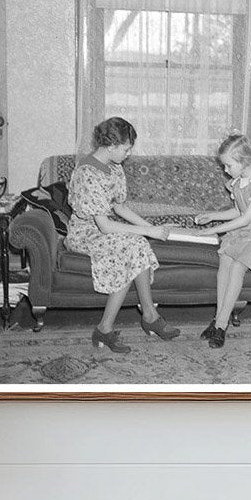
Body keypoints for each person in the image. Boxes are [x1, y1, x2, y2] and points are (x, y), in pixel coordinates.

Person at [66, 116, 180, 353]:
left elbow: (120, 207)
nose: (129, 153)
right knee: (132, 247)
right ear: (111, 146)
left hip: (102, 228)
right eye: (126, 148)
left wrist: (153, 229)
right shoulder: (87, 173)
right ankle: (110, 327)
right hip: (85, 233)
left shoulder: (114, 168)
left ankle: (147, 316)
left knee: (137, 244)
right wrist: (149, 231)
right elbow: (105, 226)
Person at [194, 133, 251, 348]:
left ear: (244, 161)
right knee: (224, 262)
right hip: (246, 230)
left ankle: (221, 326)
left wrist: (211, 231)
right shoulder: (237, 183)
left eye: (228, 165)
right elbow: (238, 211)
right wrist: (213, 215)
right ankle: (217, 320)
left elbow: (246, 218)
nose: (225, 171)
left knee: (237, 267)